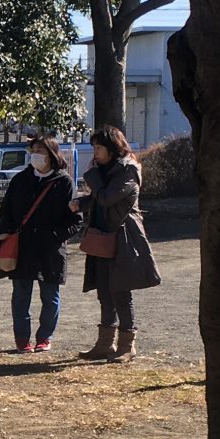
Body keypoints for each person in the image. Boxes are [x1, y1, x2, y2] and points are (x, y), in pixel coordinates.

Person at [73, 126, 161, 361]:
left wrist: (91, 176)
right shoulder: (104, 170)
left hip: (124, 238)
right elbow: (97, 198)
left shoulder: (128, 170)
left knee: (120, 290)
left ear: (112, 148)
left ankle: (127, 346)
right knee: (104, 290)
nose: (95, 152)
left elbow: (108, 197)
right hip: (102, 236)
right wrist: (81, 204)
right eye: (94, 147)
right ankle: (105, 344)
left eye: (99, 147)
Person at [0, 135, 84, 354]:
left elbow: (75, 220)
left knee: (50, 296)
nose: (35, 155)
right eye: (33, 150)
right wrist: (6, 231)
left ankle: (44, 337)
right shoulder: (20, 180)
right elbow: (5, 212)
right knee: (20, 295)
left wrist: (55, 236)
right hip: (22, 247)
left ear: (52, 154)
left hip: (51, 249)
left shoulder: (64, 182)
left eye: (40, 151)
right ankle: (22, 339)